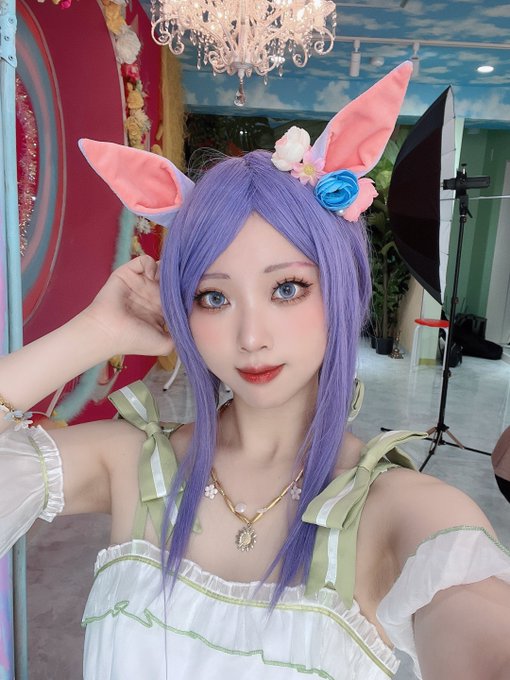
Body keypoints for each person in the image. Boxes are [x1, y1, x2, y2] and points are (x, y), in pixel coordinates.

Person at [1, 62, 510, 680]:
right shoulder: (131, 464)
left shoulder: (403, 513)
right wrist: (96, 332)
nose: (250, 337)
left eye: (288, 288)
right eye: (213, 297)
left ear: (342, 287)